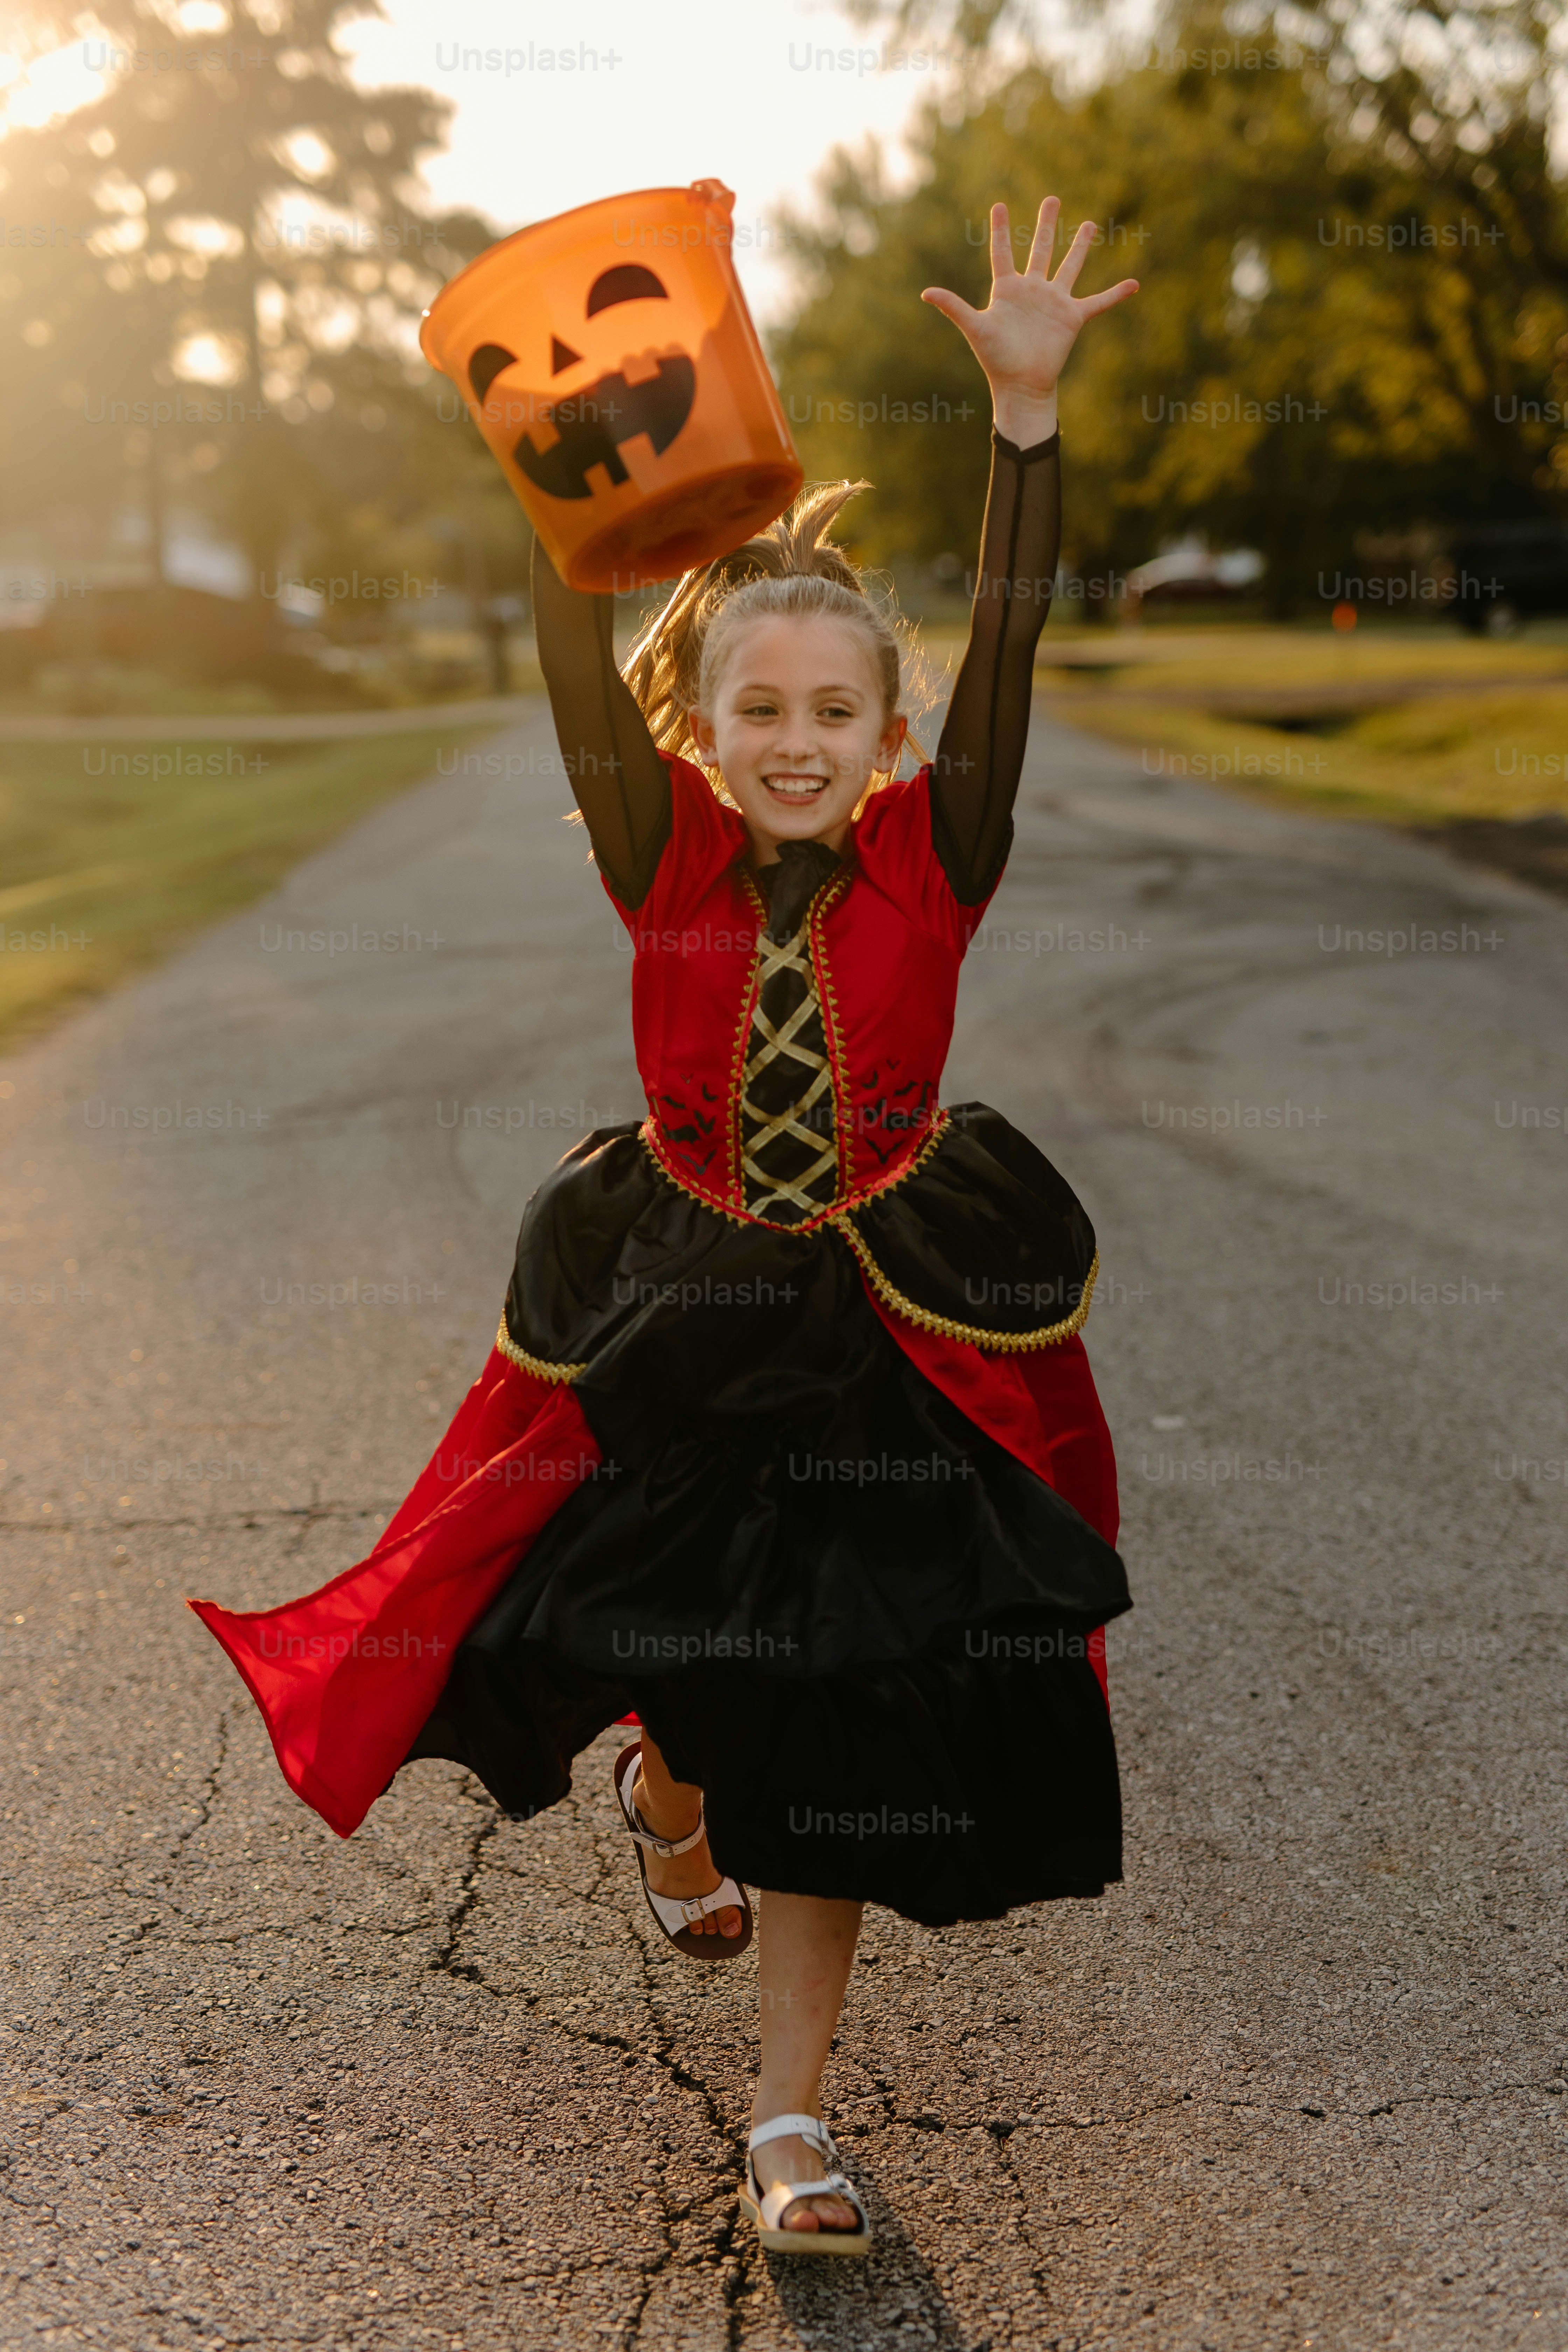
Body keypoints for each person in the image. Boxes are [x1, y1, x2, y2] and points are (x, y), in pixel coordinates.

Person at [190, 197, 1139, 2252]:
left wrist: (1027, 425)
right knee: (659, 1656)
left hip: (881, 1321)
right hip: (681, 1304)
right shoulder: (662, 845)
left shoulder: (939, 850)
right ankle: (664, 1786)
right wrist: (570, 482)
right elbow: (566, 641)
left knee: (837, 1697)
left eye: (838, 713)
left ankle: (789, 2123)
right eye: (759, 711)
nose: (800, 743)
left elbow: (1020, 624)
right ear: (700, 728)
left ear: (893, 737)